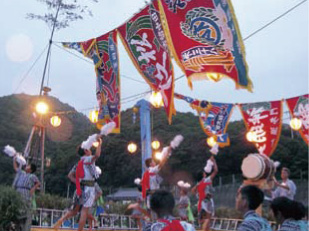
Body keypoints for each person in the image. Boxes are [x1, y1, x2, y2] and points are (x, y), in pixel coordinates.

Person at [13, 158, 40, 231]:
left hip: (26, 191)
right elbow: (15, 167)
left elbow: (38, 183)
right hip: (18, 190)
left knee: (24, 208)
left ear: (30, 170)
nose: (26, 166)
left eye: (28, 166)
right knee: (18, 208)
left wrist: (33, 189)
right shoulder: (22, 173)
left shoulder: (32, 176)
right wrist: (15, 159)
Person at [191, 155, 218, 231]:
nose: (205, 173)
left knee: (203, 219)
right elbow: (215, 171)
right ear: (203, 175)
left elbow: (192, 192)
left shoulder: (198, 184)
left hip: (200, 201)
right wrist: (214, 162)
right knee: (208, 219)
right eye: (203, 173)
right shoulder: (206, 180)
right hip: (207, 201)